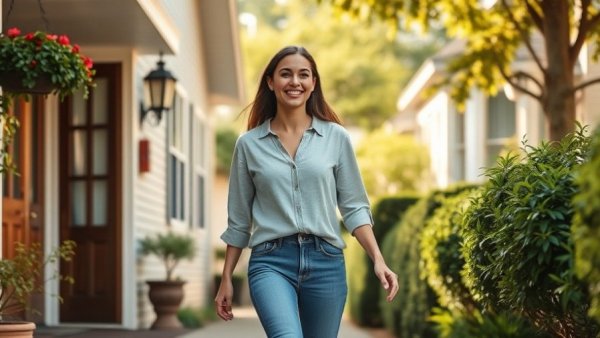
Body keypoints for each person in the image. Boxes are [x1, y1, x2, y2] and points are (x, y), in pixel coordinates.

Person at [215, 45, 399, 338]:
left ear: (313, 84)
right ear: (271, 82)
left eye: (304, 75)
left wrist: (378, 258)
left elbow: (354, 207)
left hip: (325, 261)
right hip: (271, 261)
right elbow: (239, 220)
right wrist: (226, 278)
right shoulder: (248, 145)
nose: (295, 82)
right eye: (286, 74)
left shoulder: (336, 138)